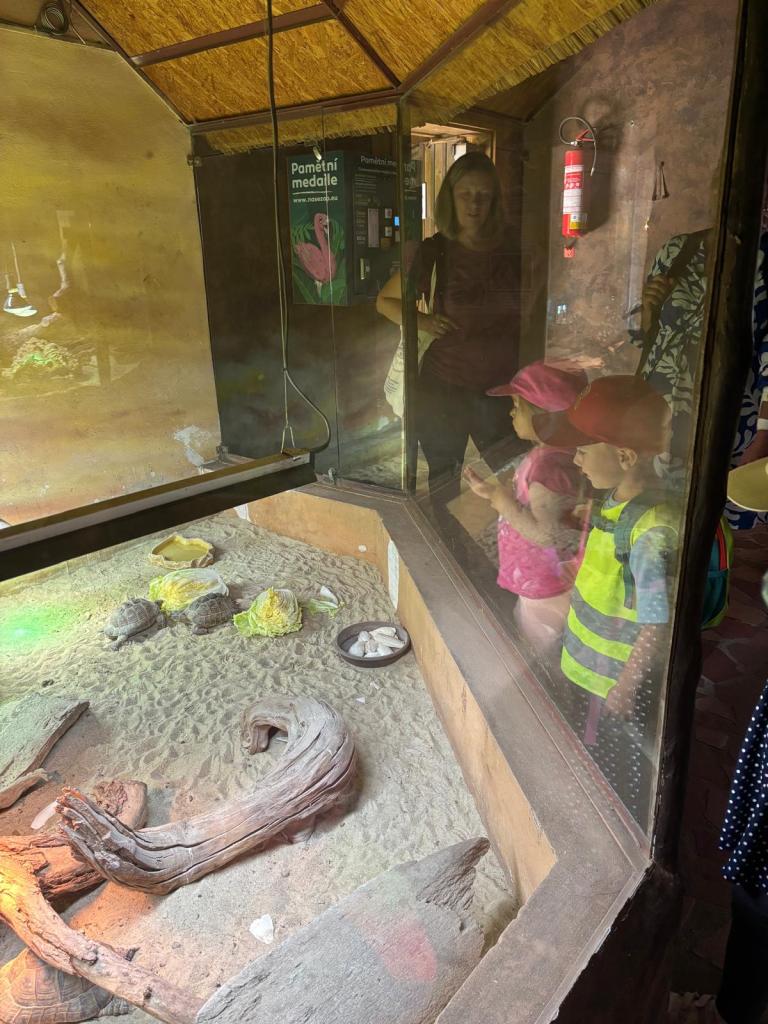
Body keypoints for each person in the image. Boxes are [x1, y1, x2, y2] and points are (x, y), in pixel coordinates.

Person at [536, 375, 676, 824]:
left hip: (614, 683)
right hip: (587, 666)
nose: (575, 459)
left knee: (619, 772)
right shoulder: (613, 502)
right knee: (589, 750)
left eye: (583, 449)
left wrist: (627, 685)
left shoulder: (650, 531)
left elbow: (656, 622)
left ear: (625, 456)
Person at [376, 152, 521, 503]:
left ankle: (517, 536)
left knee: (515, 476)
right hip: (443, 387)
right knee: (444, 483)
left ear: (494, 201)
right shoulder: (433, 252)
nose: (474, 204)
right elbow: (385, 302)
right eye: (465, 194)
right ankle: (446, 536)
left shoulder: (512, 250)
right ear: (450, 199)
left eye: (483, 195)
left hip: (500, 388)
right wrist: (424, 320)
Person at [462, 360, 589, 654]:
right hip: (544, 576)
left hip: (546, 579)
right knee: (532, 623)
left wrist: (502, 501)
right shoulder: (554, 454)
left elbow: (547, 534)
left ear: (545, 417)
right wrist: (492, 492)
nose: (511, 413)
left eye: (517, 406)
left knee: (539, 639)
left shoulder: (550, 467)